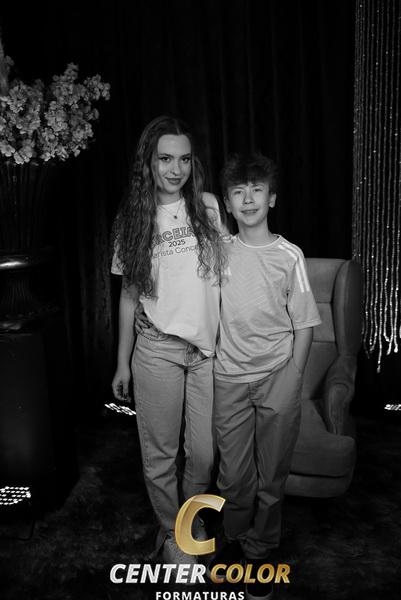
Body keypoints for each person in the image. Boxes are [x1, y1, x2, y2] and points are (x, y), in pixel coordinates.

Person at [110, 115, 226, 564]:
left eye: (184, 159)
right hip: (157, 348)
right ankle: (175, 534)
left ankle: (187, 518)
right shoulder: (133, 218)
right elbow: (128, 295)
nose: (176, 169)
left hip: (205, 351)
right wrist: (122, 363)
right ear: (149, 163)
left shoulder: (208, 207)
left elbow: (226, 275)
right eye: (165, 159)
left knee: (203, 455)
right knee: (160, 454)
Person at [209, 153, 321, 600]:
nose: (248, 198)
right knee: (234, 476)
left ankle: (260, 549)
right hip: (228, 378)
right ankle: (235, 537)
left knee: (272, 475)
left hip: (278, 376)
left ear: (271, 198)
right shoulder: (219, 252)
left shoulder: (289, 255)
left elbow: (305, 324)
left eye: (257, 190)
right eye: (238, 192)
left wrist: (294, 375)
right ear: (228, 203)